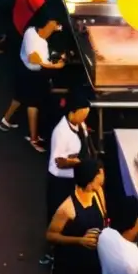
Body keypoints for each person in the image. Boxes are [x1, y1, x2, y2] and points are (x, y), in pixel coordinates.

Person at [46, 159, 106, 274]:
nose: (101, 181)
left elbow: (104, 218)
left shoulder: (97, 193)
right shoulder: (67, 208)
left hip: (91, 263)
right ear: (89, 182)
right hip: (71, 264)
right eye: (98, 179)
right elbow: (50, 235)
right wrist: (79, 240)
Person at [17, 8, 66, 152]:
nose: (55, 27)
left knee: (36, 103)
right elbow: (34, 59)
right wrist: (57, 65)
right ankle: (33, 138)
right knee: (33, 104)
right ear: (46, 23)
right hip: (31, 74)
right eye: (54, 24)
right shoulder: (34, 40)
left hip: (29, 71)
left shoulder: (32, 30)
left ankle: (34, 134)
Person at [44, 95, 94, 224]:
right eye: (82, 114)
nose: (84, 118)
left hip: (74, 178)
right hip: (61, 182)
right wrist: (78, 163)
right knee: (59, 213)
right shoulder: (60, 132)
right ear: (72, 112)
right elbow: (59, 161)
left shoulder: (79, 124)